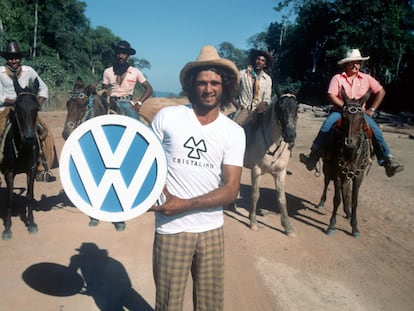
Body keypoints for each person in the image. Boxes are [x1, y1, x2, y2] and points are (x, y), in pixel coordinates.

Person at [150, 45, 246, 311]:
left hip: (211, 230)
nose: (208, 89)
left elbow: (230, 190)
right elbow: (144, 165)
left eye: (215, 82)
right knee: (168, 304)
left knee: (210, 305)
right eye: (202, 82)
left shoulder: (234, 132)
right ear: (192, 85)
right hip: (171, 229)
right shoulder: (168, 117)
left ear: (224, 86)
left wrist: (184, 204)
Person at [299, 48, 403, 177]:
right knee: (327, 125)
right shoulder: (337, 78)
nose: (355, 65)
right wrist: (346, 107)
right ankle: (313, 155)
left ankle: (387, 159)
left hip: (360, 114)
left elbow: (381, 91)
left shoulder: (367, 78)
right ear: (346, 65)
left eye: (358, 62)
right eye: (352, 62)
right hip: (340, 111)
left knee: (375, 130)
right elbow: (331, 95)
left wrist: (372, 109)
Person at [0, 41, 58, 182]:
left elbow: (43, 88)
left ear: (20, 58)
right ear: (6, 59)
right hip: (5, 108)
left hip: (27, 109)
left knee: (45, 132)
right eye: (10, 58)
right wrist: (13, 102)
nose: (14, 61)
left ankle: (43, 166)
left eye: (16, 57)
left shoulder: (29, 71)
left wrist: (37, 104)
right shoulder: (0, 72)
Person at [102, 40, 153, 120]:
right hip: (111, 103)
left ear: (128, 56)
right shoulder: (107, 71)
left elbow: (149, 89)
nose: (121, 56)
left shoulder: (135, 72)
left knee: (137, 126)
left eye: (124, 53)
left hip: (127, 103)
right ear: (115, 54)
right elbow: (105, 88)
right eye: (118, 53)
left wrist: (139, 103)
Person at [233, 49, 273, 125]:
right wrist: (237, 106)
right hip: (244, 109)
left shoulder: (267, 79)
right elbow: (231, 91)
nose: (259, 62)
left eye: (262, 60)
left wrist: (263, 104)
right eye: (258, 59)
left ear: (265, 64)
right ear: (254, 60)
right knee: (236, 128)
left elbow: (267, 97)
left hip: (259, 110)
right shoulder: (242, 74)